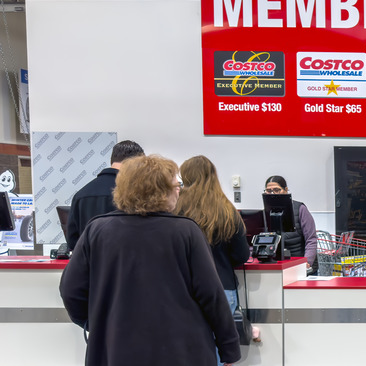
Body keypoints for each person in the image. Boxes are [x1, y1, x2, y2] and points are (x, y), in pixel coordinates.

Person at [59, 155, 240, 366]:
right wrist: (229, 348)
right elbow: (212, 296)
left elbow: (70, 291)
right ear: (160, 190)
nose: (179, 190)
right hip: (182, 349)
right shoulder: (186, 231)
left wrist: (100, 323)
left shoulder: (97, 230)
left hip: (116, 349)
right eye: (175, 185)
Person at [174, 155, 250, 364]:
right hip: (222, 287)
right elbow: (241, 255)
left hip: (184, 288)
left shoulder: (176, 210)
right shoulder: (226, 210)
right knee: (219, 349)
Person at [65, 140, 144, 250]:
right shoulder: (135, 193)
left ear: (112, 160)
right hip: (124, 263)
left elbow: (73, 242)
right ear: (136, 163)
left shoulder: (81, 195)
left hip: (91, 264)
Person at [264, 175, 318, 274]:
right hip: (279, 266)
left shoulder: (300, 209)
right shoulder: (266, 212)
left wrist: (307, 261)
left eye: (277, 190)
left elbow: (311, 239)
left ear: (286, 190)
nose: (273, 193)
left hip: (301, 265)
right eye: (269, 191)